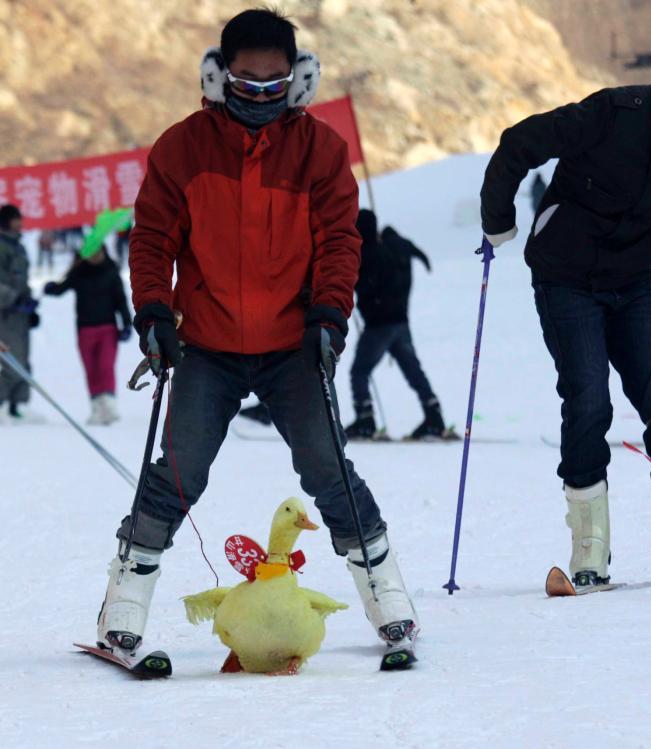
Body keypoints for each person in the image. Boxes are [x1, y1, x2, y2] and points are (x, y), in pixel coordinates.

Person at [96, 9, 418, 659]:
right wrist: (155, 310)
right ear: (219, 77)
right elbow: (154, 237)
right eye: (247, 82)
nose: (261, 97)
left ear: (297, 82)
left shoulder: (321, 152)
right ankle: (123, 601)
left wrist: (330, 315)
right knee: (179, 470)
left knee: (328, 468)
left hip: (292, 344)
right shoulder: (183, 147)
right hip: (207, 346)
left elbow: (338, 244)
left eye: (275, 85)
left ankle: (386, 593)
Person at [480, 64, 651, 588]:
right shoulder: (613, 113)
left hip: (631, 279)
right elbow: (520, 142)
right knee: (588, 402)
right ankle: (590, 551)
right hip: (565, 277)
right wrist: (498, 217)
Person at [344, 209, 447, 440]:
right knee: (413, 371)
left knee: (359, 371)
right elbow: (411, 249)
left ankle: (365, 420)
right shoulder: (394, 248)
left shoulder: (363, 254)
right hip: (401, 323)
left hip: (378, 326)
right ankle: (434, 416)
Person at [44, 248, 133, 424]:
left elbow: (120, 299)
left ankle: (109, 402)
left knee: (105, 365)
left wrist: (127, 323)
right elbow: (61, 288)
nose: (95, 256)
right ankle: (96, 406)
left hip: (107, 326)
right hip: (85, 328)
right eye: (91, 252)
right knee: (91, 368)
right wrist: (51, 288)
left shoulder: (111, 271)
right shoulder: (79, 271)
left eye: (98, 252)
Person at [0, 204, 42, 424]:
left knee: (23, 360)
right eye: (16, 219)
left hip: (19, 317)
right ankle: (2, 405)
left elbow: (22, 281)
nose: (20, 223)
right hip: (4, 315)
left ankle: (17, 405)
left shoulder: (19, 248)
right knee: (10, 361)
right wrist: (14, 299)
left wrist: (29, 303)